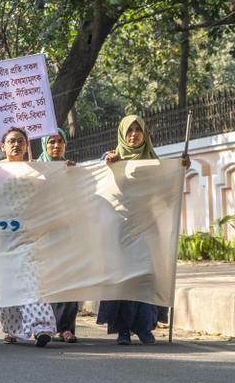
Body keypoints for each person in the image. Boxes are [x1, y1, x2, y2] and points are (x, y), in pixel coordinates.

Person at [96, 114, 189, 344]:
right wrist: (107, 162)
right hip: (122, 228)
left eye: (138, 130)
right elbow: (98, 182)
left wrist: (179, 169)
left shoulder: (154, 162)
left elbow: (165, 195)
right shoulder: (112, 158)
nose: (134, 135)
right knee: (126, 279)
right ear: (122, 134)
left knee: (147, 276)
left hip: (148, 227)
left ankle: (145, 326)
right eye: (129, 130)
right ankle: (123, 330)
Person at [0, 126, 57, 347]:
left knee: (31, 278)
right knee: (6, 282)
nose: (16, 145)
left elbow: (56, 189)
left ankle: (41, 326)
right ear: (2, 146)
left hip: (29, 232)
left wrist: (67, 171)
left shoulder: (37, 169)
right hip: (0, 233)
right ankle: (13, 329)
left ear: (27, 145)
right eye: (12, 141)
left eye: (21, 141)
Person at [39, 128, 80, 342]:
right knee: (47, 280)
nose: (56, 146)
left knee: (68, 278)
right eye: (51, 142)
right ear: (45, 145)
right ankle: (46, 325)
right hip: (42, 234)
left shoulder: (71, 169)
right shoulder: (34, 170)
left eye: (60, 141)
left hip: (67, 233)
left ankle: (66, 328)